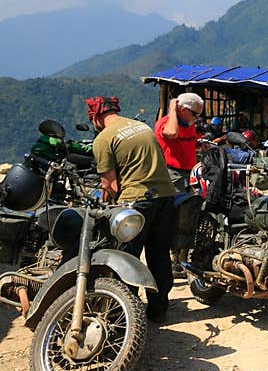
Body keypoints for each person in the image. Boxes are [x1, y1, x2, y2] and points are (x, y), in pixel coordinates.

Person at [86, 96, 176, 323]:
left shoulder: (104, 138)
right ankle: (158, 310)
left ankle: (124, 315)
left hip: (137, 202)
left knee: (126, 258)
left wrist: (105, 205)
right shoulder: (141, 126)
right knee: (159, 254)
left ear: (95, 117)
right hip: (165, 197)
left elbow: (110, 185)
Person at [154, 92, 204, 277]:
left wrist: (199, 146)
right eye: (195, 114)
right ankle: (169, 261)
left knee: (186, 216)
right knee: (173, 217)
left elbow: (187, 142)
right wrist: (172, 110)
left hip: (187, 174)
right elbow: (171, 133)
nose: (197, 119)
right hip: (171, 174)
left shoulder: (188, 124)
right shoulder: (166, 123)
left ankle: (179, 259)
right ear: (182, 110)